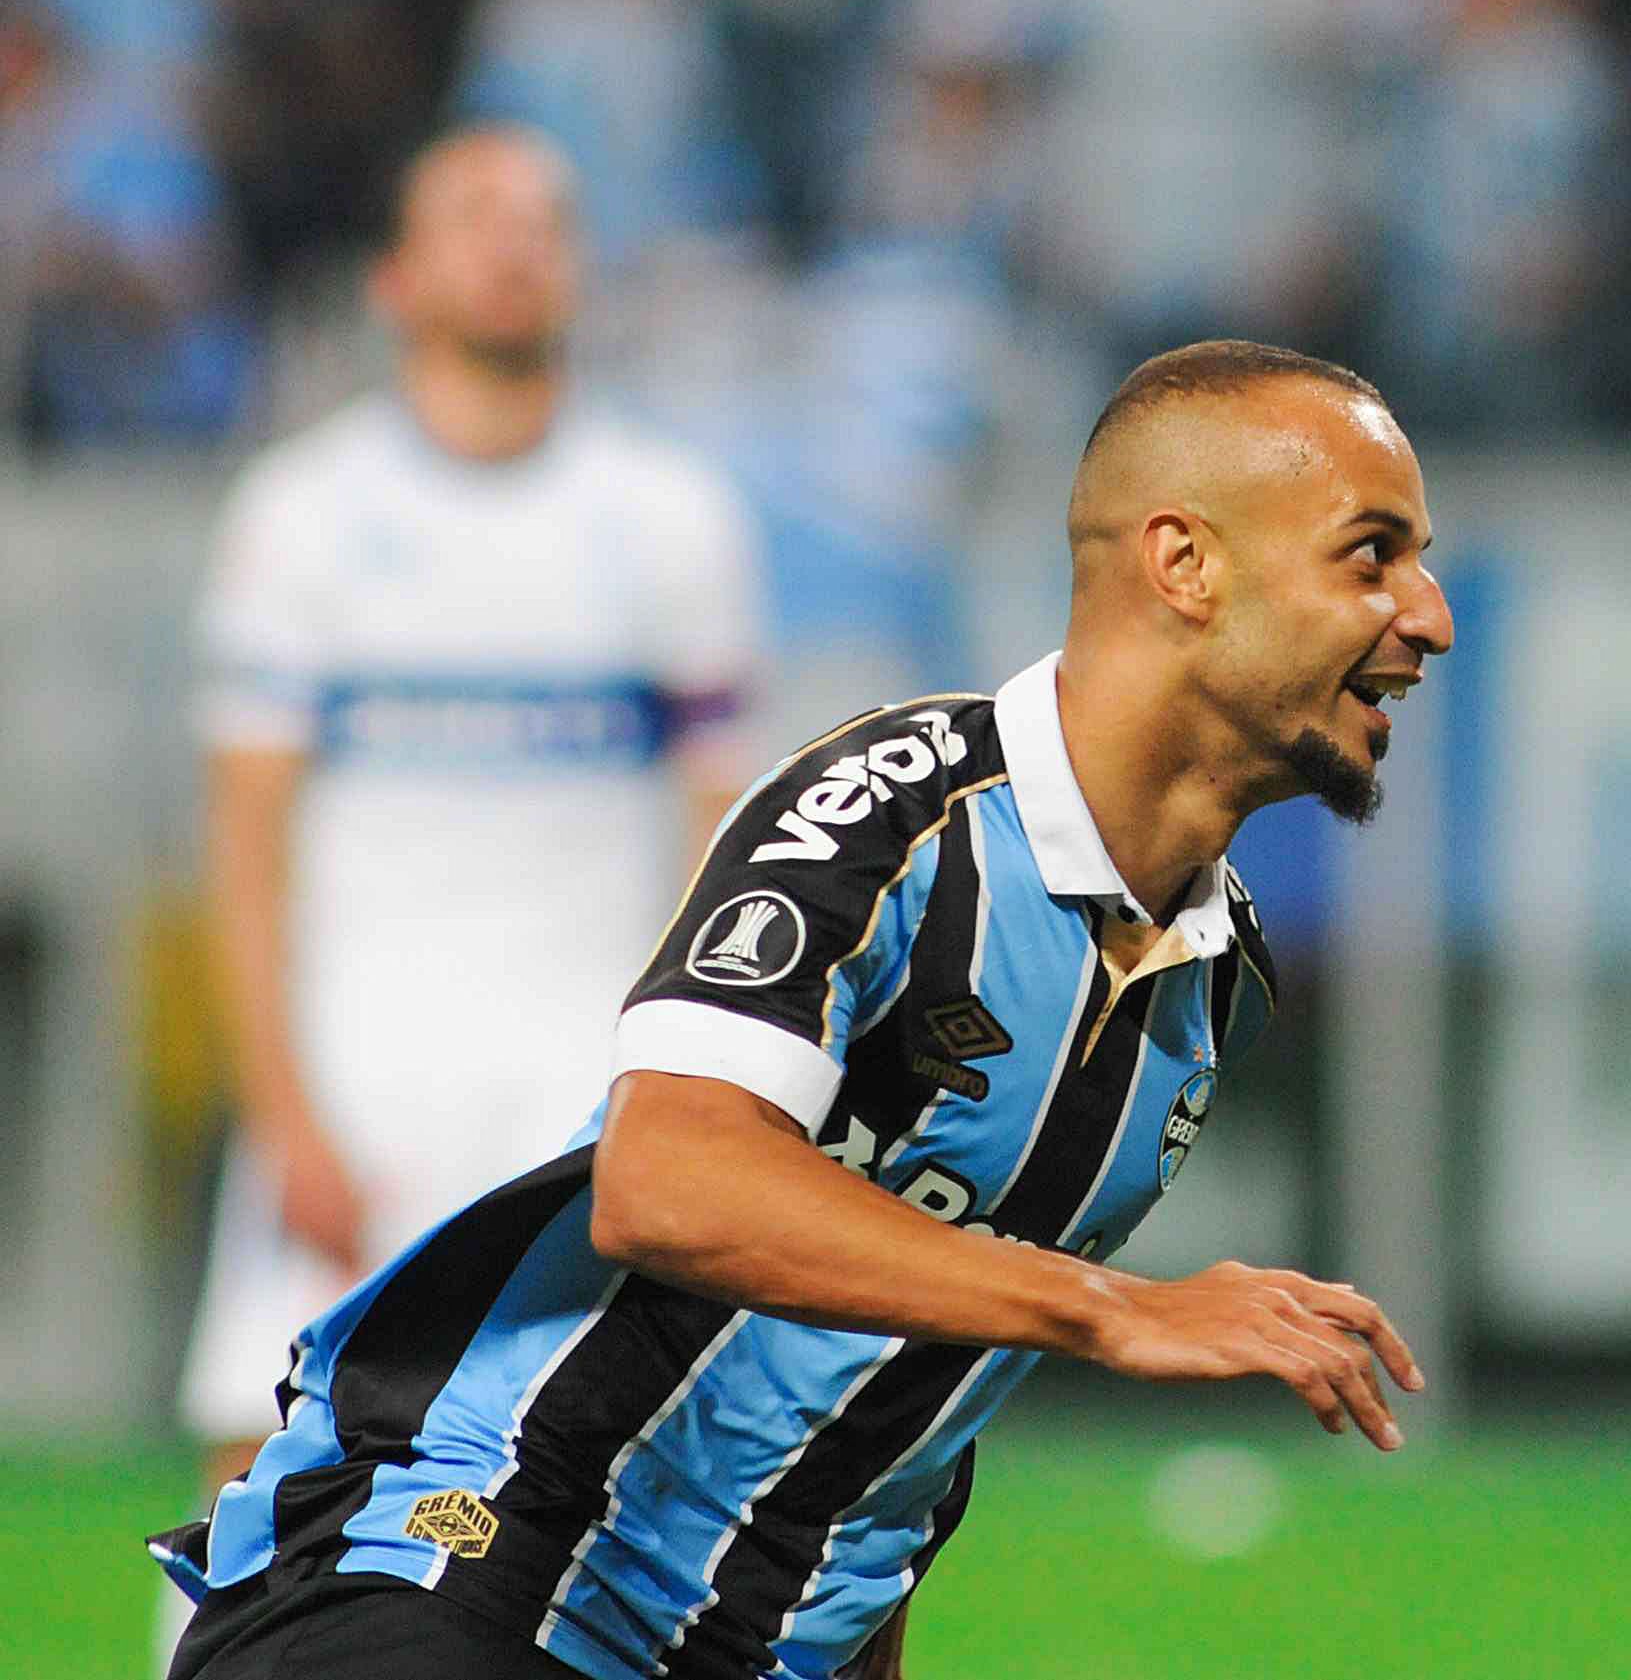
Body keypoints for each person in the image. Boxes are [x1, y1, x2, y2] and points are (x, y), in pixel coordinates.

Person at [153, 340, 1453, 1680]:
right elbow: (666, 1176)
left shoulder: (1209, 979)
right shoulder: (891, 813)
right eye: (1371, 555)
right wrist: (1110, 1306)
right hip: (477, 1559)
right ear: (1184, 563)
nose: (1428, 614)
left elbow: (906, 1419)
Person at [173, 125, 763, 1634]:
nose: (518, 241)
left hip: (585, 1093)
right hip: (361, 1073)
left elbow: (729, 852)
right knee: (266, 1459)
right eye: (478, 213)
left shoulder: (671, 519)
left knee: (598, 1487)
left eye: (548, 217)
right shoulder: (300, 517)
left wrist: (695, 1101)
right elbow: (244, 844)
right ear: (397, 275)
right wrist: (283, 1101)